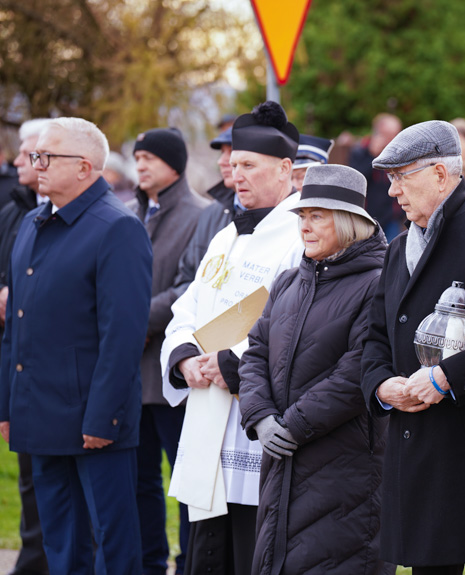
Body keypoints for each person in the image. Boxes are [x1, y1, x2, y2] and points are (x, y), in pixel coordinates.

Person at [361, 120, 465, 575]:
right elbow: (374, 336)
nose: (393, 191)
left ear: (439, 173)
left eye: (401, 176)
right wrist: (380, 386)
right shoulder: (397, 249)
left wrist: (447, 377)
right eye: (390, 179)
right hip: (413, 452)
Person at [0, 117, 153, 575]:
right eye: (33, 155)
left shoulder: (117, 229)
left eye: (46, 156)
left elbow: (122, 335)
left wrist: (102, 417)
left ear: (86, 167)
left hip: (94, 419)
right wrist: (8, 405)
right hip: (41, 413)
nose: (35, 164)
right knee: (60, 542)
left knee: (113, 543)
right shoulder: (32, 223)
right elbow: (16, 328)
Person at [160, 101, 304, 575]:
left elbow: (292, 321)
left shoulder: (299, 236)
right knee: (206, 552)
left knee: (251, 550)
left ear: (285, 169)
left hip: (252, 418)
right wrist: (184, 357)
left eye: (248, 166)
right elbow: (188, 307)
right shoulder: (224, 237)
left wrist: (227, 364)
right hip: (207, 416)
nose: (235, 175)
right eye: (233, 165)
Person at [238, 164, 391, 575]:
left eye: (316, 216)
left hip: (344, 468)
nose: (304, 226)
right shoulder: (288, 282)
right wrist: (261, 418)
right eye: (302, 217)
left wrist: (293, 425)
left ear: (347, 222)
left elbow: (358, 368)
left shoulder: (377, 283)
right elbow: (254, 353)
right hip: (282, 459)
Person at [130, 127, 209, 575]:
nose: (140, 164)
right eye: (136, 157)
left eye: (149, 158)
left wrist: (135, 319)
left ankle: (189, 563)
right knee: (140, 481)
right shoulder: (127, 213)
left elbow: (192, 286)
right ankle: (147, 562)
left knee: (184, 477)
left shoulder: (202, 214)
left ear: (174, 164)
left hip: (174, 372)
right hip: (129, 372)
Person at [0, 118, 51, 575]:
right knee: (32, 484)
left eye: (29, 154)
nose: (18, 161)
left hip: (57, 375)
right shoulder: (17, 211)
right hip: (19, 365)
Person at [172, 127, 237, 296]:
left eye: (231, 151)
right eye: (222, 152)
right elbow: (187, 277)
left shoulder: (280, 215)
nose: (222, 161)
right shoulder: (211, 213)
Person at [349, 113, 403, 240]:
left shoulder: (399, 154)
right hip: (366, 217)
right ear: (377, 133)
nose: (392, 139)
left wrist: (400, 213)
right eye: (388, 135)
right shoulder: (360, 151)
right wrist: (372, 156)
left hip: (391, 219)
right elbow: (356, 181)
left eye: (396, 134)